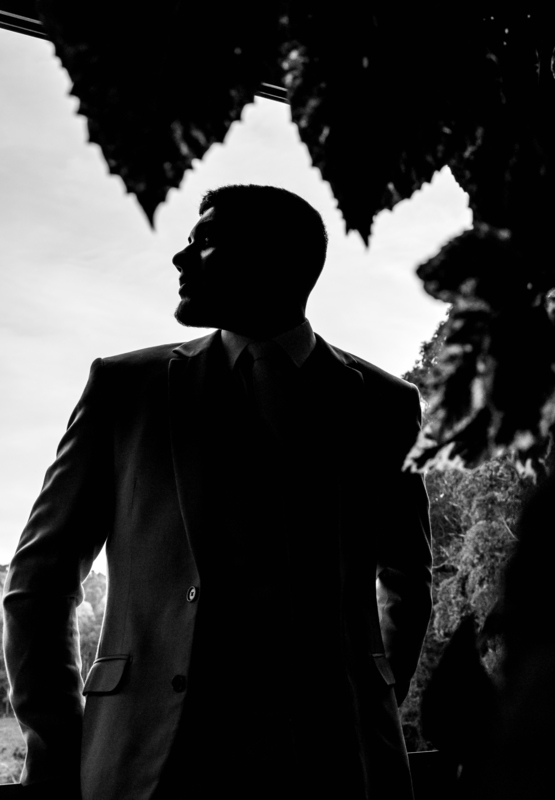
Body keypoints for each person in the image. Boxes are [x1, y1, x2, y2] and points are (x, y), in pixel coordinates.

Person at [2, 185, 433, 800]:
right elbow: (39, 583)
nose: (181, 257)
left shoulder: (385, 406)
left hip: (337, 765)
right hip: (149, 766)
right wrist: (59, 756)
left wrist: (369, 700)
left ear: (276, 260)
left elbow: (409, 582)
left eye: (205, 241)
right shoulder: (125, 389)